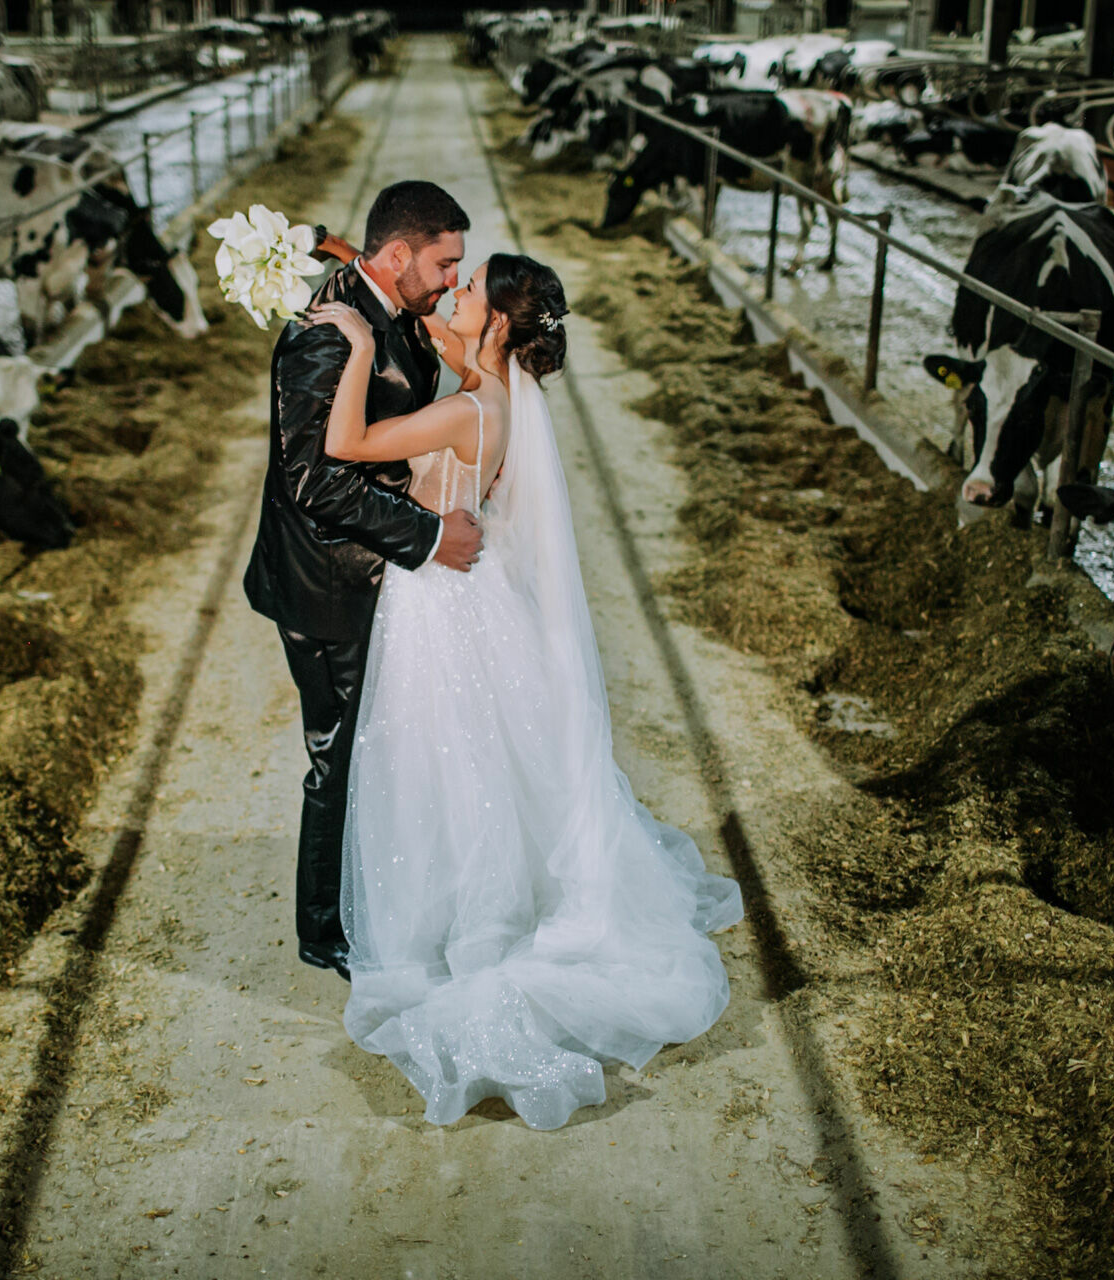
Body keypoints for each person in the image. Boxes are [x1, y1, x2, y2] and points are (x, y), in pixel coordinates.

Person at [307, 253, 744, 1131]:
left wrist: (354, 342)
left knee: (439, 772)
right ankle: (460, 904)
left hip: (436, 611)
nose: (455, 296)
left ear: (499, 326)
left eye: (469, 294)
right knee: (468, 769)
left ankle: (457, 924)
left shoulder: (472, 407)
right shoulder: (486, 395)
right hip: (465, 601)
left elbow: (345, 445)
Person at [242, 181, 484, 979]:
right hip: (325, 583)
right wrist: (427, 536)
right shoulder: (325, 337)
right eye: (446, 264)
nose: (453, 280)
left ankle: (368, 896)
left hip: (371, 572)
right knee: (338, 754)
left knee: (377, 746)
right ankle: (325, 932)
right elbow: (310, 480)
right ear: (399, 255)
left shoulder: (389, 299)